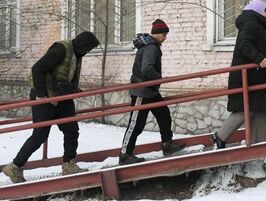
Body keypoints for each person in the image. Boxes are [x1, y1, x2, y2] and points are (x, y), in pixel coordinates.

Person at [2, 31, 100, 183]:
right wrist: (41, 95)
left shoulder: (76, 55)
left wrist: (74, 90)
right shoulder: (61, 49)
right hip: (45, 97)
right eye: (89, 48)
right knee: (40, 135)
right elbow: (37, 69)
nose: (88, 52)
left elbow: (64, 78)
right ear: (83, 45)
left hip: (61, 98)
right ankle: (14, 167)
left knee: (71, 130)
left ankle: (69, 164)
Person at [119, 19, 186, 165]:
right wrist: (159, 78)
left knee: (163, 114)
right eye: (164, 34)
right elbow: (146, 69)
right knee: (136, 124)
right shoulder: (151, 47)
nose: (165, 38)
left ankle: (167, 145)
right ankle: (125, 155)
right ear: (157, 34)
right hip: (142, 91)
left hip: (151, 91)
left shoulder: (152, 46)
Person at [211, 0, 266, 149]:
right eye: (265, 10)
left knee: (258, 108)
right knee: (245, 108)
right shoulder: (251, 24)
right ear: (258, 11)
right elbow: (244, 45)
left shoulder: (255, 24)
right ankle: (220, 136)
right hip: (248, 76)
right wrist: (259, 58)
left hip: (256, 76)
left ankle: (260, 146)